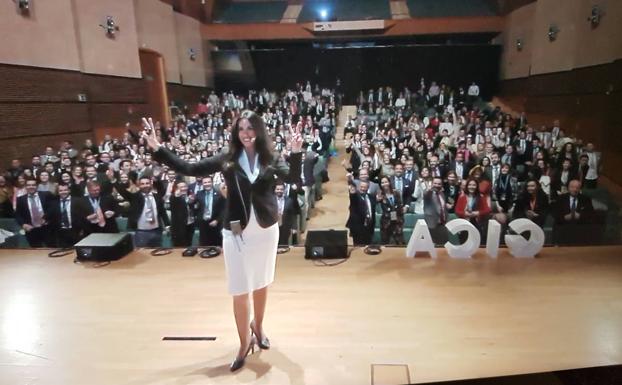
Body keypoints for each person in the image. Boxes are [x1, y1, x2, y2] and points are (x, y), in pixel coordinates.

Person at [142, 112, 303, 372]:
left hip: (265, 231)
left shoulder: (270, 158)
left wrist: (296, 153)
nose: (247, 133)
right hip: (236, 233)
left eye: (251, 128)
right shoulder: (227, 159)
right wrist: (159, 149)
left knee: (262, 283)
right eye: (242, 129)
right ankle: (243, 343)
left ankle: (258, 327)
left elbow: (294, 180)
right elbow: (190, 169)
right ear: (236, 133)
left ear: (259, 131)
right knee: (240, 290)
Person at [114, 176, 169, 247]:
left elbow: (163, 212)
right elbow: (122, 192)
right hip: (141, 232)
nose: (145, 185)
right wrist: (113, 180)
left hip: (156, 231)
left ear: (151, 184)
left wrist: (167, 225)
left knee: (156, 252)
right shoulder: (135, 197)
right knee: (141, 254)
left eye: (147, 183)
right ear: (139, 185)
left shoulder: (157, 197)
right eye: (142, 184)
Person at [553, 179, 594, 245]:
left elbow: (591, 214)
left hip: (579, 228)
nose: (575, 190)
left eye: (577, 188)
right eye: (572, 187)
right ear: (568, 188)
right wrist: (564, 217)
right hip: (564, 227)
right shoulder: (561, 198)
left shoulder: (586, 199)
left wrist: (580, 216)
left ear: (580, 189)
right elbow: (555, 214)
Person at [15, 178, 54, 247]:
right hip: (31, 230)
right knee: (35, 251)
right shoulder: (21, 199)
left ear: (37, 186)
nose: (31, 187)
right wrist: (23, 224)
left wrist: (47, 218)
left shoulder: (46, 195)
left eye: (33, 185)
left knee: (50, 248)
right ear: (26, 186)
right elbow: (18, 215)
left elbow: (52, 208)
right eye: (29, 185)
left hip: (46, 228)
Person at [48, 183, 83, 247]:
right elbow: (51, 218)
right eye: (61, 191)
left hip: (75, 231)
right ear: (58, 192)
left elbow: (82, 216)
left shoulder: (78, 201)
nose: (63, 192)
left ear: (69, 191)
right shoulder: (53, 203)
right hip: (60, 233)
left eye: (65, 190)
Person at [195, 175, 225, 247]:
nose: (207, 184)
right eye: (205, 182)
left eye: (209, 182)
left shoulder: (219, 194)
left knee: (216, 246)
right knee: (204, 246)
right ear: (202, 184)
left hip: (215, 223)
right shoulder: (199, 194)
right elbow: (196, 208)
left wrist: (217, 220)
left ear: (212, 182)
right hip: (203, 224)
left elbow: (224, 209)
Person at [377, 176, 405, 245]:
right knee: (385, 242)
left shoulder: (396, 193)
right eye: (382, 183)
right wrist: (377, 200)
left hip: (397, 221)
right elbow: (376, 202)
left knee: (400, 242)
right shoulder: (380, 194)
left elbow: (400, 205)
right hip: (386, 222)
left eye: (386, 182)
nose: (384, 184)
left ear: (389, 182)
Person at [346, 180, 376, 245]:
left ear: (368, 188)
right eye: (361, 187)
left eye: (365, 187)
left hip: (369, 228)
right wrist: (352, 193)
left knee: (368, 247)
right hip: (358, 228)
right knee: (358, 249)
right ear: (359, 187)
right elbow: (352, 197)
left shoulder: (371, 197)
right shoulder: (355, 197)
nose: (363, 189)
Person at [169, 181, 197, 247]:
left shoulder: (189, 197)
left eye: (185, 186)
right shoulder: (174, 197)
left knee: (189, 244)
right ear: (177, 189)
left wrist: (192, 202)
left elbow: (192, 208)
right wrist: (177, 196)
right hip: (179, 228)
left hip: (190, 224)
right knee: (179, 247)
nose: (184, 188)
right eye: (181, 187)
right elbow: (174, 201)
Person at [424, 176, 449, 244]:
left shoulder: (442, 194)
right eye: (435, 183)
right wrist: (429, 190)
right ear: (432, 184)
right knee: (432, 247)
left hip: (442, 223)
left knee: (443, 246)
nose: (437, 185)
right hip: (431, 224)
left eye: (439, 184)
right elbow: (426, 194)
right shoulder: (429, 193)